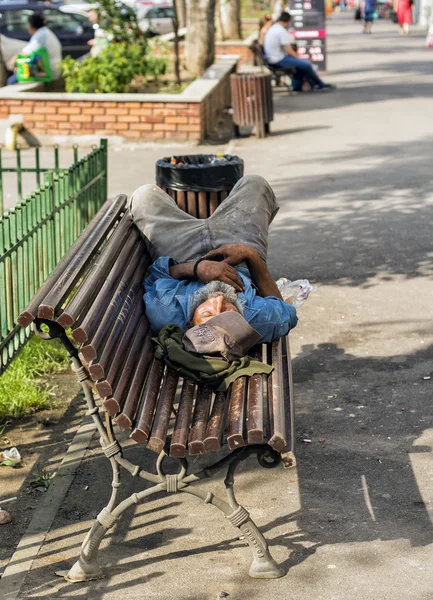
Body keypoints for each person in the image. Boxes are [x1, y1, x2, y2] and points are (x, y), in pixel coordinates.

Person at [129, 175, 298, 346]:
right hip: (238, 257)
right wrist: (250, 255)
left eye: (207, 314)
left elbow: (156, 273)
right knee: (256, 184)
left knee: (144, 196)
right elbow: (286, 311)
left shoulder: (167, 312)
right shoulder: (259, 321)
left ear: (189, 325)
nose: (219, 300)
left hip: (182, 254)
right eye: (228, 313)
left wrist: (196, 268)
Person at [263, 12, 336, 92]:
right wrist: (298, 58)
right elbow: (289, 50)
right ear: (287, 21)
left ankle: (299, 86)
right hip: (278, 60)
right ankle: (319, 84)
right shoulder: (281, 31)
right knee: (306, 64)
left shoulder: (273, 28)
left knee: (301, 65)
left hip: (272, 58)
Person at [8, 14, 61, 85]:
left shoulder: (40, 35)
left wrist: (14, 63)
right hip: (53, 69)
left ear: (30, 26)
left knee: (11, 81)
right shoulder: (45, 32)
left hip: (49, 72)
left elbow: (25, 53)